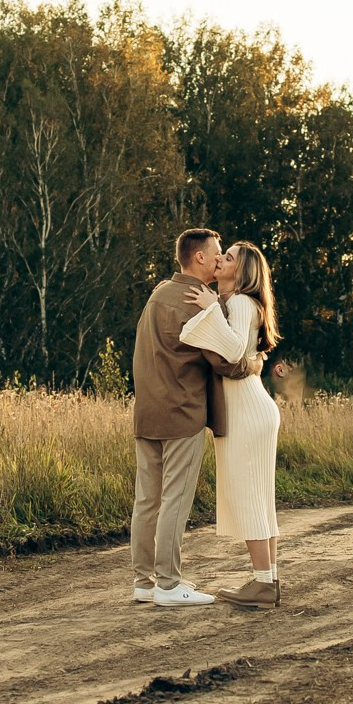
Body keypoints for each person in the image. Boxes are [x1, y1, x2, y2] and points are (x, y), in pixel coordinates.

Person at [129, 228, 262, 607]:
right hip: (181, 414)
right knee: (174, 500)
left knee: (147, 501)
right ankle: (169, 585)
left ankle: (143, 582)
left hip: (147, 412)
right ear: (199, 258)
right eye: (217, 252)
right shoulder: (195, 301)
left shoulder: (158, 295)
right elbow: (226, 362)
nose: (220, 258)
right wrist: (253, 363)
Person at [179, 240, 284, 606]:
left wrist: (211, 309)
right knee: (259, 498)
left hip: (247, 411)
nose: (220, 260)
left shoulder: (239, 303)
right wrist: (215, 307)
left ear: (242, 272)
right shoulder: (240, 304)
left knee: (250, 498)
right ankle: (267, 580)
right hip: (253, 407)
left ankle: (262, 585)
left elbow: (236, 351)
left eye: (228, 258)